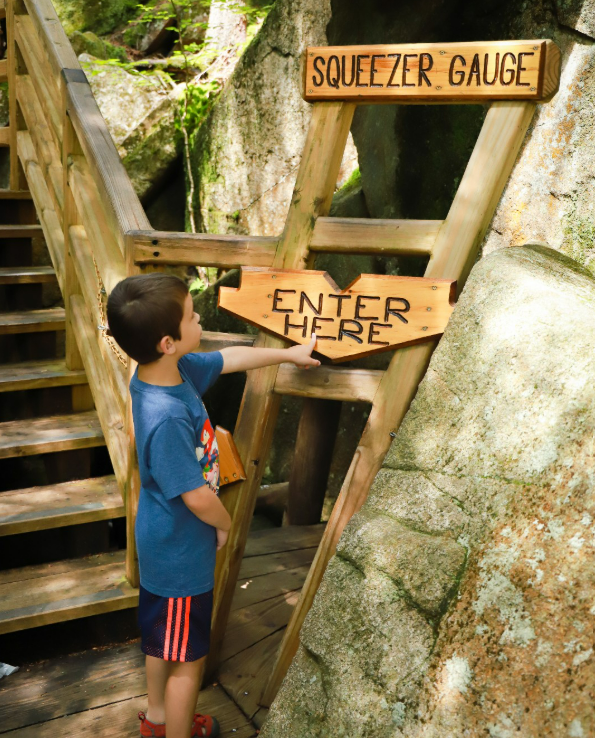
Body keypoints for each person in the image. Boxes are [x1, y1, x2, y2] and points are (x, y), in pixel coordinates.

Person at [106, 273, 320, 738]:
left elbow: (231, 358)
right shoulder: (165, 415)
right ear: (167, 342)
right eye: (191, 315)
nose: (199, 316)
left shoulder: (172, 371)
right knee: (188, 661)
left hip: (164, 541)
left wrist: (289, 354)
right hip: (180, 551)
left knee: (163, 640)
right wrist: (224, 524)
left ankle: (157, 718)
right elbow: (197, 496)